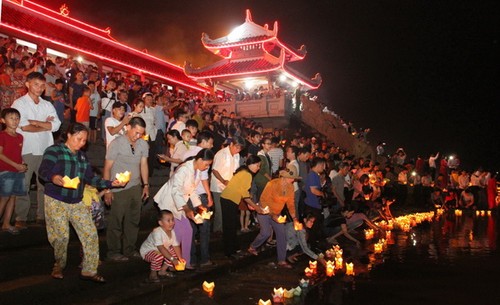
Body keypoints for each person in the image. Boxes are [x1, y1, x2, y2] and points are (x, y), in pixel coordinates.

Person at [38, 123, 126, 282]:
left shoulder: (82, 156)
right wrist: (53, 177)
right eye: (79, 139)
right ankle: (59, 264)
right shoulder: (54, 151)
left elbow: (91, 178)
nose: (81, 143)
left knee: (90, 233)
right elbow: (43, 170)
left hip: (76, 200)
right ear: (69, 135)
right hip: (56, 199)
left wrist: (112, 183)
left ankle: (89, 270)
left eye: (84, 141)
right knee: (60, 237)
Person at [12, 72, 61, 227]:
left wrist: (36, 123)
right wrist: (44, 125)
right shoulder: (19, 103)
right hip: (27, 149)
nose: (40, 88)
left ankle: (42, 216)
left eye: (42, 85)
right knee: (24, 184)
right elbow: (24, 126)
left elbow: (56, 125)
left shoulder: (47, 105)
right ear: (28, 84)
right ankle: (21, 217)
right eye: (36, 84)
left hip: (46, 150)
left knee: (45, 185)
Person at [153, 149, 214, 270]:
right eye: (206, 164)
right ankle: (169, 264)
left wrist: (198, 205)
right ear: (200, 159)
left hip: (181, 204)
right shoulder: (184, 169)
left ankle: (185, 262)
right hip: (169, 203)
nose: (207, 167)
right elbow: (175, 191)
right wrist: (186, 209)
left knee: (188, 231)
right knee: (174, 235)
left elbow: (192, 190)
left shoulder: (196, 171)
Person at [103, 117, 149, 262]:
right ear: (128, 127)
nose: (138, 136)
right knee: (116, 220)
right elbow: (107, 168)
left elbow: (143, 165)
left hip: (135, 186)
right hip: (118, 188)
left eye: (140, 133)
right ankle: (113, 251)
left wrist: (146, 184)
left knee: (133, 220)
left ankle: (129, 248)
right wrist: (108, 189)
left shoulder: (143, 144)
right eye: (136, 132)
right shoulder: (116, 144)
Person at [247, 165, 301, 268]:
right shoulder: (272, 184)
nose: (293, 180)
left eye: (294, 178)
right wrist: (272, 215)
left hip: (277, 213)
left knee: (281, 234)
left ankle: (281, 260)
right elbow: (263, 201)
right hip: (264, 211)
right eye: (291, 177)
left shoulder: (290, 187)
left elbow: (291, 204)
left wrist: (294, 219)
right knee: (266, 232)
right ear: (284, 176)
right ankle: (252, 247)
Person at [220, 155, 265, 258]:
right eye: (257, 165)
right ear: (250, 164)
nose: (258, 168)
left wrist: (250, 204)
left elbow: (243, 192)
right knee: (229, 227)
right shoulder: (247, 174)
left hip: (228, 199)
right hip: (229, 200)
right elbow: (244, 194)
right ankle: (230, 252)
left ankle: (233, 249)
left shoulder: (244, 172)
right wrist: (255, 206)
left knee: (231, 226)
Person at [0, 108, 27, 235]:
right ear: (3, 120)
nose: (15, 120)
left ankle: (6, 223)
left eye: (17, 118)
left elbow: (17, 154)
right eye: (11, 118)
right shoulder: (2, 135)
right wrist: (15, 165)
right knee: (4, 198)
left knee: (13, 197)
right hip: (5, 170)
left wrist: (21, 165)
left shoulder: (20, 137)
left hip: (17, 171)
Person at [210, 136, 245, 233]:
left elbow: (235, 171)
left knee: (228, 210)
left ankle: (226, 230)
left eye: (240, 148)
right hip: (218, 186)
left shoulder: (237, 155)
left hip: (229, 187)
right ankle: (217, 230)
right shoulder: (221, 154)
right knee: (220, 210)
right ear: (231, 144)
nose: (237, 150)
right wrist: (223, 180)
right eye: (236, 147)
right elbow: (214, 170)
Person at [140, 210, 183, 283]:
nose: (171, 223)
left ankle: (162, 271)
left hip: (161, 250)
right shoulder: (157, 232)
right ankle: (153, 274)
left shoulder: (172, 232)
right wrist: (173, 259)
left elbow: (176, 246)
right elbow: (161, 248)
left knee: (174, 252)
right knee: (160, 256)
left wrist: (180, 258)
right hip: (148, 251)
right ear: (160, 223)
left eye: (172, 220)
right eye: (168, 221)